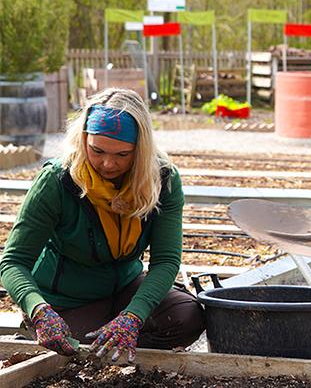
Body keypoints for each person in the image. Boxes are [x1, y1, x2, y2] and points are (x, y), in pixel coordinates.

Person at [0, 88, 205, 363]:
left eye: (123, 154)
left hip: (125, 286)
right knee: (71, 346)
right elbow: (13, 262)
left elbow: (166, 261)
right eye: (96, 150)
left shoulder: (162, 179)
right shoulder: (58, 180)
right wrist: (39, 311)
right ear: (83, 139)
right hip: (66, 298)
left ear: (140, 150)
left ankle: (116, 341)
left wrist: (134, 316)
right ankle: (61, 336)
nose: (108, 164)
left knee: (187, 317)